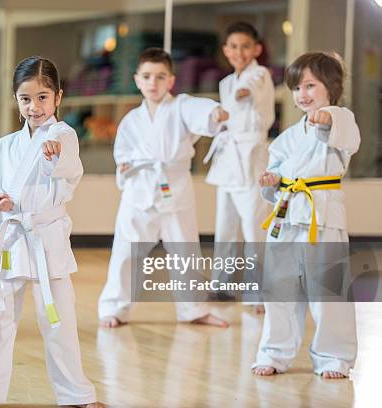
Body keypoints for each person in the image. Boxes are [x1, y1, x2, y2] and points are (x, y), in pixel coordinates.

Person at [0, 56, 104, 408]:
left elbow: (67, 166)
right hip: (11, 237)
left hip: (46, 237)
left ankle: (77, 394)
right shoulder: (3, 147)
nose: (34, 107)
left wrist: (53, 154)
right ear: (15, 100)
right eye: (25, 98)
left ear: (58, 97)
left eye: (42, 97)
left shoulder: (62, 135)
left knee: (58, 318)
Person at [97, 48, 229, 329]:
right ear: (137, 80)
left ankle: (193, 309)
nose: (153, 83)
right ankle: (115, 308)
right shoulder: (132, 119)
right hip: (139, 190)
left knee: (185, 251)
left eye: (160, 77)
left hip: (175, 188)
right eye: (147, 76)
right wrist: (124, 167)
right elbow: (122, 153)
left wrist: (215, 113)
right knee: (125, 251)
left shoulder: (180, 106)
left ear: (171, 80)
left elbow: (199, 109)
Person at [252, 52, 359, 379]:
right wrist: (270, 182)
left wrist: (329, 119)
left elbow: (348, 139)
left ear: (332, 87)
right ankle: (274, 352)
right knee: (278, 289)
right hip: (286, 215)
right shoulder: (285, 139)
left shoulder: (341, 120)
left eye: (310, 85)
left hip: (322, 216)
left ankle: (333, 357)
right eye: (297, 87)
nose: (302, 94)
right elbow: (274, 177)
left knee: (328, 291)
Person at [204, 22, 275, 310]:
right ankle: (222, 285)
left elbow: (249, 89)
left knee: (254, 226)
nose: (239, 52)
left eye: (245, 46)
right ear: (225, 50)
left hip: (251, 157)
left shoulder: (259, 74)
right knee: (225, 226)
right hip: (228, 159)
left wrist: (241, 92)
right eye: (233, 46)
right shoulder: (225, 82)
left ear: (256, 49)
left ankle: (261, 291)